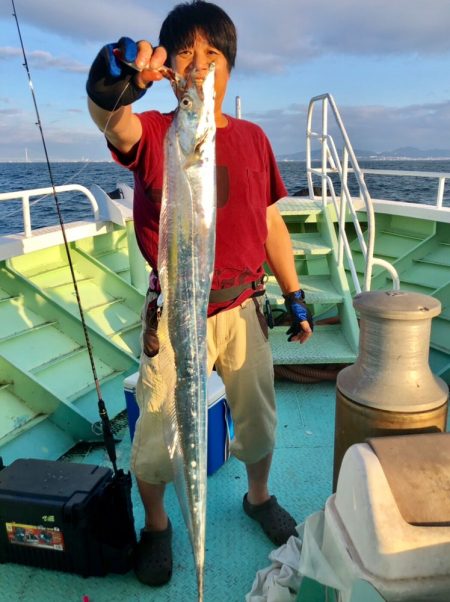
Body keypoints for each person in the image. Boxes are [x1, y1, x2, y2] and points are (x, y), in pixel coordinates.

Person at [86, 0, 313, 587]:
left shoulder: (255, 139)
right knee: (158, 433)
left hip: (244, 307)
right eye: (186, 54)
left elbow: (269, 225)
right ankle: (158, 527)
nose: (201, 67)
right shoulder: (162, 130)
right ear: (168, 69)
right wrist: (112, 81)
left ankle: (258, 497)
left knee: (258, 423)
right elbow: (115, 122)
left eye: (213, 56)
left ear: (230, 68)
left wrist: (294, 296)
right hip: (174, 313)